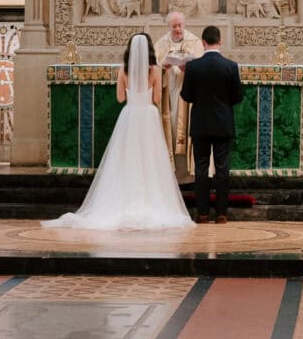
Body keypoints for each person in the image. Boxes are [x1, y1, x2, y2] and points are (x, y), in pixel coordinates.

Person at [42, 34, 194, 231]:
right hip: (148, 116)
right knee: (150, 159)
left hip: (130, 115)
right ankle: (152, 200)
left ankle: (124, 200)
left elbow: (121, 98)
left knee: (126, 159)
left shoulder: (124, 70)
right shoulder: (155, 70)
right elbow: (157, 98)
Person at [181, 25, 243, 224]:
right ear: (220, 41)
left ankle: (203, 214)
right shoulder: (231, 66)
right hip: (223, 123)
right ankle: (222, 214)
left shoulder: (193, 67)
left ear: (203, 42)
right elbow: (237, 96)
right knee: (222, 168)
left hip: (200, 124)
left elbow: (186, 96)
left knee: (201, 167)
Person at [155, 12, 203, 179]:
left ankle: (188, 175)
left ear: (184, 24)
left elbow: (204, 68)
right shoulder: (161, 44)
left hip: (188, 96)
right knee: (171, 129)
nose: (177, 29)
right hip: (168, 94)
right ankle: (169, 175)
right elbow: (153, 69)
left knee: (185, 129)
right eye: (174, 26)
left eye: (179, 25)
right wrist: (162, 68)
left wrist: (189, 69)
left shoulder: (195, 42)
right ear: (168, 26)